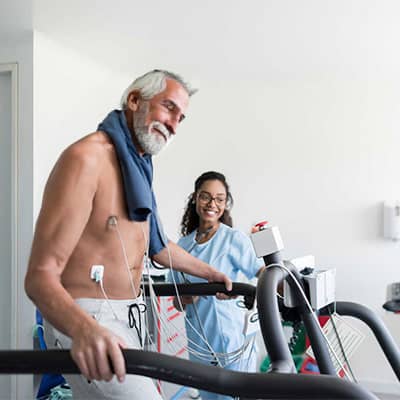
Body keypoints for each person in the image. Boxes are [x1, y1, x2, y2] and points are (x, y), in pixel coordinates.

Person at [24, 70, 232, 400]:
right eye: (168, 107)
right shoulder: (86, 159)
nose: (174, 124)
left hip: (130, 314)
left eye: (181, 117)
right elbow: (39, 277)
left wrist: (211, 274)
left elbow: (158, 249)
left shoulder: (137, 167)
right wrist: (84, 329)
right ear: (134, 100)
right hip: (90, 315)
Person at [169, 171, 264, 400]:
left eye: (219, 199)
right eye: (206, 197)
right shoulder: (182, 246)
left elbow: (261, 272)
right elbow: (176, 302)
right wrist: (185, 298)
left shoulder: (234, 239)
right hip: (199, 345)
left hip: (232, 342)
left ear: (225, 203)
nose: (212, 204)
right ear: (195, 198)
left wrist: (279, 280)